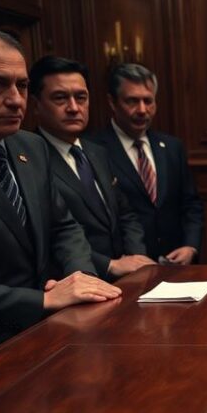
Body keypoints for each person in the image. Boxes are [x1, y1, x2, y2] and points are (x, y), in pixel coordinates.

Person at [0, 27, 120, 358]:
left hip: (48, 336)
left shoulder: (31, 147)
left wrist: (82, 279)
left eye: (21, 86)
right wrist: (42, 300)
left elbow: (63, 227)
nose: (15, 99)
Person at [29, 56, 155, 281]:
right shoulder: (30, 159)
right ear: (36, 104)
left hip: (126, 279)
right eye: (60, 98)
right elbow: (49, 235)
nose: (73, 108)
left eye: (81, 97)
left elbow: (125, 213)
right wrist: (109, 265)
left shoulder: (96, 151)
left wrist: (137, 258)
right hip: (75, 282)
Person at [90, 63, 203, 264]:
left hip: (176, 265)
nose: (142, 110)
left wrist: (190, 246)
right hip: (127, 268)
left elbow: (191, 204)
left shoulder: (171, 147)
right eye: (132, 101)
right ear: (112, 102)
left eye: (148, 101)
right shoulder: (94, 150)